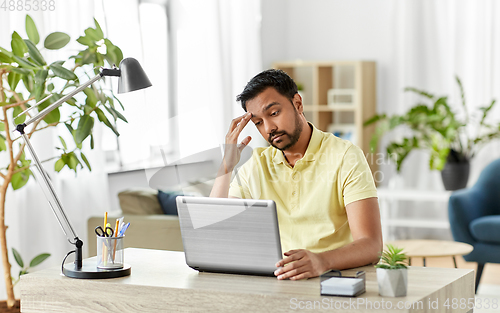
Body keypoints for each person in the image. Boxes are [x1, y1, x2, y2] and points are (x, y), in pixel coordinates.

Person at [210, 69, 382, 281]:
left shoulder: (346, 156)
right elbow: (216, 231)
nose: (269, 128)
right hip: (275, 281)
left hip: (331, 279)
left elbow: (371, 245)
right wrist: (226, 166)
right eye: (258, 123)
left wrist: (321, 261)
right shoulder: (256, 164)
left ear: (298, 104)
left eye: (273, 113)